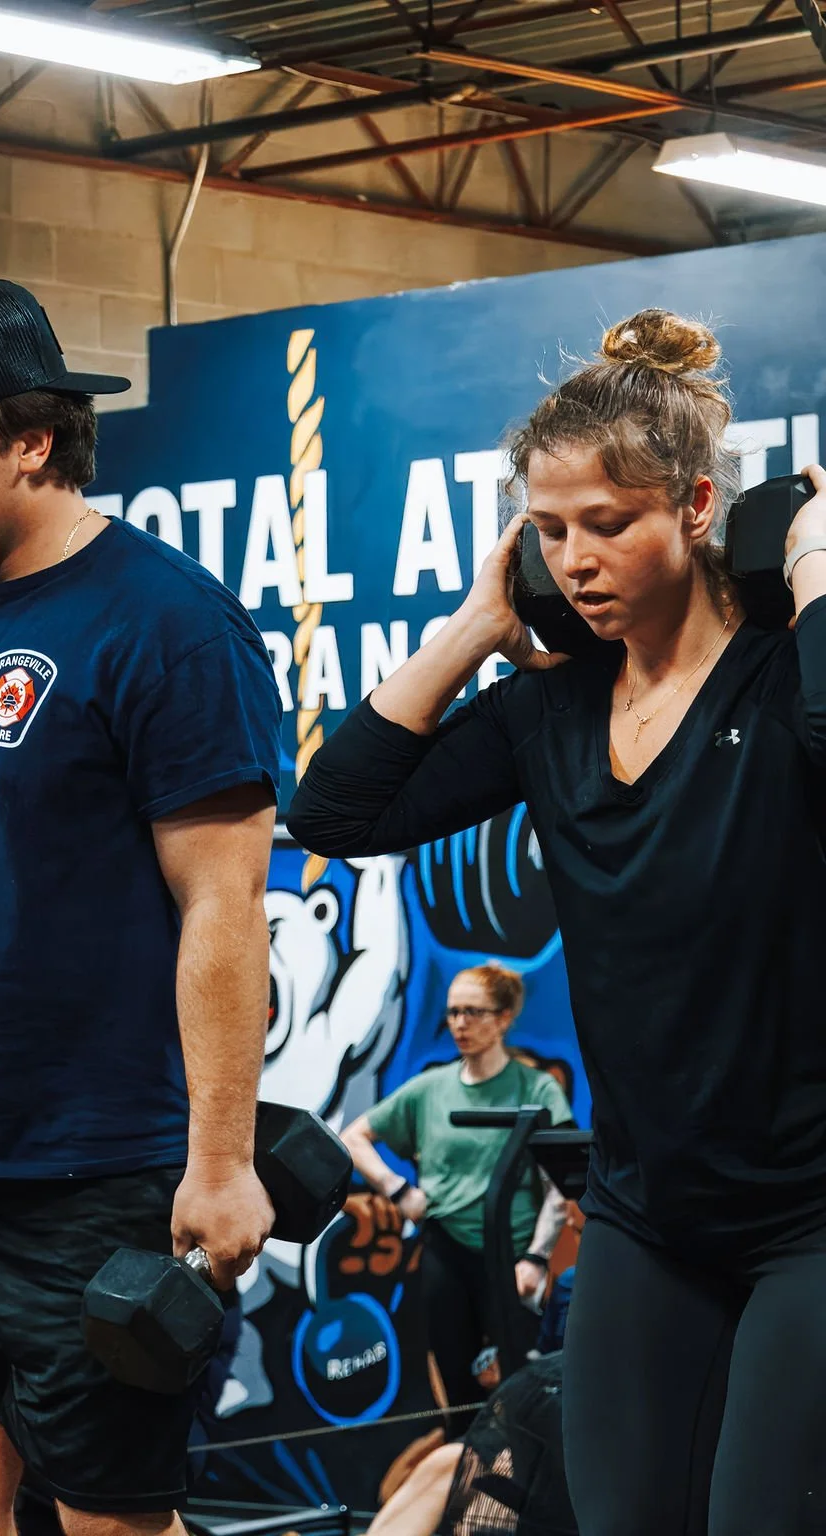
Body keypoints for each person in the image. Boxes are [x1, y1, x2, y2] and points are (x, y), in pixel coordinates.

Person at [287, 309, 826, 1534]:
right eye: (547, 530)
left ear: (697, 507)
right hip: (647, 1215)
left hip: (810, 1215)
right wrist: (477, 625)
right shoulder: (550, 709)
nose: (575, 559)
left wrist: (812, 565)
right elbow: (334, 810)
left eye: (608, 523)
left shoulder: (780, 679)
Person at [0, 278, 283, 1536]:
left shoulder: (170, 624)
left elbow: (225, 906)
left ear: (33, 440)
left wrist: (221, 1163)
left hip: (99, 1173)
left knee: (109, 1522)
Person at [342, 961, 572, 1419]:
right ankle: (464, 1459)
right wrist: (399, 1190)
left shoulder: (537, 1089)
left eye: (473, 1012)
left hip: (512, 1256)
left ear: (503, 1018)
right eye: (453, 1012)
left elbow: (558, 1186)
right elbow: (353, 1138)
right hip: (446, 1251)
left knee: (521, 1391)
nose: (460, 1023)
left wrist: (536, 1257)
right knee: (457, 1386)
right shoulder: (430, 1090)